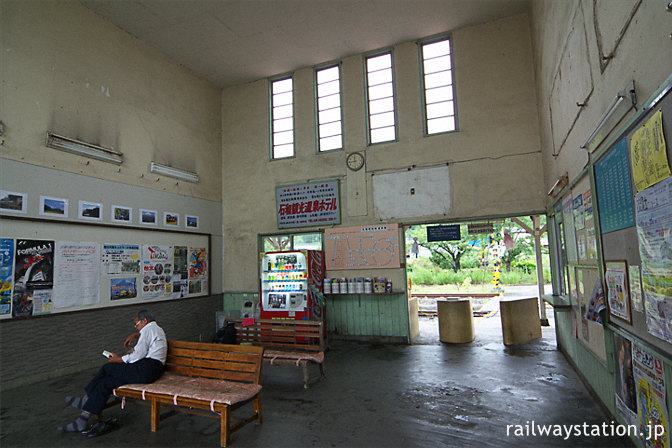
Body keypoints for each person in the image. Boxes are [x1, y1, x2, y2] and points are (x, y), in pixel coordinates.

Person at [58, 310, 167, 437]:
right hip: (150, 371)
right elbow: (146, 343)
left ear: (144, 321)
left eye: (136, 325)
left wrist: (118, 359)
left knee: (108, 368)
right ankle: (82, 420)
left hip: (146, 369)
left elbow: (138, 354)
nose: (136, 328)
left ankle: (85, 400)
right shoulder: (156, 329)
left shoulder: (148, 329)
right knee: (106, 383)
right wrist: (136, 335)